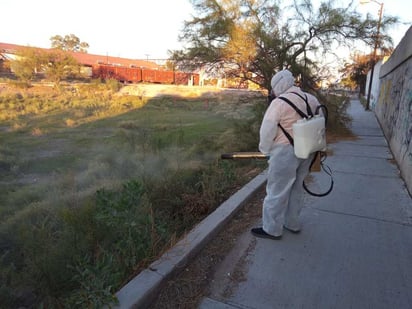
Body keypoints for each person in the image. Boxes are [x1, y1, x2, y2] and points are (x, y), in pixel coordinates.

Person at [251, 69, 322, 240]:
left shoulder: (279, 103)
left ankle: (272, 229)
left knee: (276, 190)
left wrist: (265, 150)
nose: (273, 91)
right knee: (296, 188)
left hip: (284, 152)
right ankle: (293, 223)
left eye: (274, 88)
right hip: (307, 149)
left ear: (279, 85)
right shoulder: (311, 99)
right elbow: (320, 123)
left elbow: (267, 130)